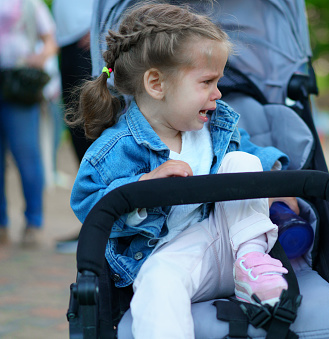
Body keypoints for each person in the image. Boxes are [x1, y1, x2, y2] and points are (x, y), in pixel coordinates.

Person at [69, 4, 299, 337]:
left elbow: (251, 151)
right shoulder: (117, 148)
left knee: (244, 164)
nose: (217, 94)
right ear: (156, 84)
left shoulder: (217, 125)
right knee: (158, 280)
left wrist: (275, 176)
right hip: (175, 258)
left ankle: (253, 268)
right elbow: (87, 205)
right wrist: (141, 187)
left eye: (218, 82)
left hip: (237, 244)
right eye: (207, 82)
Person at [0, 0, 58, 247]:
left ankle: (34, 222)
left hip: (19, 83)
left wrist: (39, 57)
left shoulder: (30, 4)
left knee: (26, 154)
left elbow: (50, 41)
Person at [51, 0, 94, 253]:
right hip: (68, 46)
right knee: (77, 134)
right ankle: (90, 222)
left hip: (86, 45)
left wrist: (100, 30)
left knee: (90, 132)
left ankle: (98, 226)